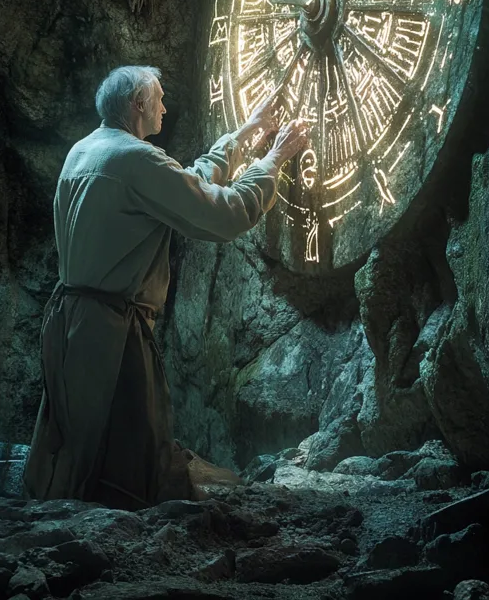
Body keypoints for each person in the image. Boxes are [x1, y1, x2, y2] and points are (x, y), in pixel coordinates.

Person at [24, 65, 307, 509]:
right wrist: (272, 162)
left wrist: (248, 131)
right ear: (138, 105)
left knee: (80, 443)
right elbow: (221, 213)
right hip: (111, 334)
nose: (165, 106)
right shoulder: (136, 159)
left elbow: (186, 182)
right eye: (158, 97)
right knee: (131, 462)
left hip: (70, 325)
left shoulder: (85, 150)